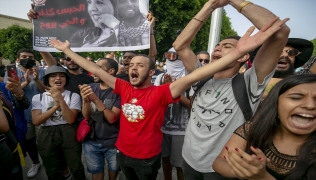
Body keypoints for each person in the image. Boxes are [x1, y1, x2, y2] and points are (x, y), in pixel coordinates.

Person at [50, 16, 288, 179]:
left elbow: (202, 71)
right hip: (122, 152)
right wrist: (67, 51)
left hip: (147, 158)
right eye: (130, 64)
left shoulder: (163, 91)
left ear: (151, 72)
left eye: (140, 65)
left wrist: (238, 52)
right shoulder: (124, 88)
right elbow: (98, 70)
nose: (133, 67)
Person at [172, 0, 290, 179]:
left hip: (223, 168)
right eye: (218, 45)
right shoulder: (201, 76)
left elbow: (280, 32)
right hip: (188, 160)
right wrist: (210, 5)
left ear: (243, 56)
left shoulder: (249, 83)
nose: (218, 47)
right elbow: (180, 45)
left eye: (227, 46)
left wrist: (233, 1)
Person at [213, 74, 316, 179]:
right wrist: (241, 171)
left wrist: (262, 177)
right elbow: (219, 161)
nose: (310, 105)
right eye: (296, 98)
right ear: (276, 103)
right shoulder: (252, 128)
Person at [31, 65, 85, 180]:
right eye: (53, 76)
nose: (58, 78)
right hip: (46, 134)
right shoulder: (38, 97)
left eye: (62, 76)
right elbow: (36, 121)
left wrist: (61, 100)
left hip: (68, 132)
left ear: (66, 79)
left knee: (75, 166)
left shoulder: (73, 96)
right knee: (51, 168)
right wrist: (55, 107)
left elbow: (71, 119)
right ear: (47, 79)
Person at [4, 48, 47, 178]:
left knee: (45, 141)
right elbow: (10, 92)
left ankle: (49, 161)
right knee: (29, 141)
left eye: (30, 57)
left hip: (42, 112)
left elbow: (46, 91)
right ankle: (35, 162)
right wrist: (26, 82)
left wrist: (37, 79)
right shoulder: (12, 72)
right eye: (23, 56)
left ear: (34, 59)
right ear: (18, 59)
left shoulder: (42, 70)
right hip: (23, 115)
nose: (27, 59)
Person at [80, 58, 121, 180]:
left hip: (114, 142)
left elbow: (112, 119)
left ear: (111, 71)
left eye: (98, 68)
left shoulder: (119, 91)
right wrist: (85, 101)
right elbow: (86, 116)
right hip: (91, 141)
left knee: (114, 170)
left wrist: (95, 100)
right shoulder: (90, 87)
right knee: (96, 171)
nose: (93, 71)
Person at [154, 48, 192, 180]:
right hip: (162, 129)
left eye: (174, 56)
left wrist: (172, 89)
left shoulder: (189, 79)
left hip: (182, 131)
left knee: (180, 165)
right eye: (168, 55)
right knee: (165, 161)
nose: (170, 59)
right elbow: (155, 102)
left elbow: (192, 106)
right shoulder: (159, 77)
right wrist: (163, 89)